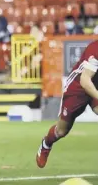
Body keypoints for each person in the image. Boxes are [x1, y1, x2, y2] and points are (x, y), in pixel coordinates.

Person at [36, 40, 98, 168]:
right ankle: (46, 144)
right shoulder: (95, 49)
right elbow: (85, 81)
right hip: (77, 88)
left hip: (96, 85)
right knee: (62, 130)